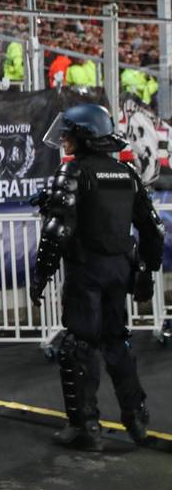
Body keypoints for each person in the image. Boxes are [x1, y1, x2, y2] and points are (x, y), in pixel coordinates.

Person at [31, 103, 163, 451]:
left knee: (79, 345)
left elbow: (57, 231)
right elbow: (153, 230)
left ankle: (84, 427)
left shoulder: (74, 173)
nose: (65, 139)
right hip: (120, 269)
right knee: (117, 341)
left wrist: (40, 275)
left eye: (70, 133)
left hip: (86, 271)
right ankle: (136, 420)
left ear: (86, 137)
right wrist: (148, 270)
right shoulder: (127, 174)